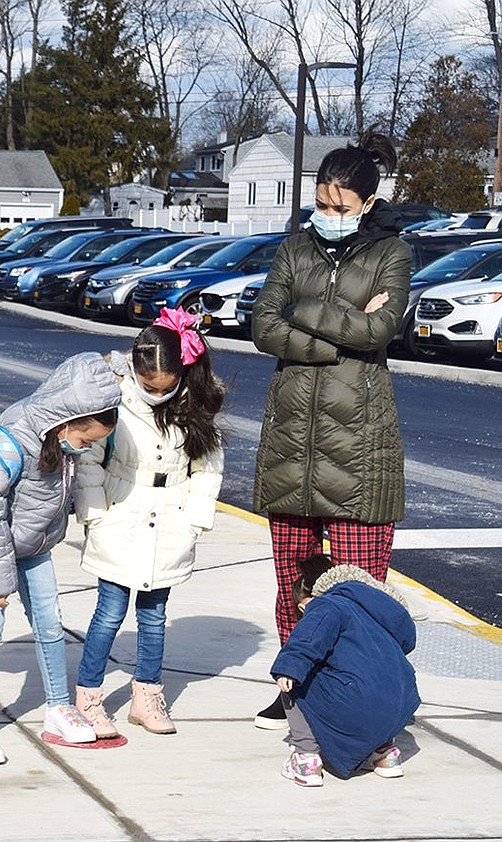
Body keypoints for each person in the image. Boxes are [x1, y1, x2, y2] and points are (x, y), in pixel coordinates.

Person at [251, 128, 410, 730]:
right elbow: (263, 325)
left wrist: (304, 314)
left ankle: (363, 699)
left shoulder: (392, 252)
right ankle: (295, 689)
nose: (328, 215)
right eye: (320, 203)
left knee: (359, 590)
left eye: (340, 208)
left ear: (367, 205)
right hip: (293, 435)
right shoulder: (295, 248)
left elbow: (380, 332)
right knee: (293, 580)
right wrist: (336, 336)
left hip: (359, 443)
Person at [0, 353, 121, 765]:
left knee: (50, 622)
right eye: (87, 439)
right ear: (67, 421)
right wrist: (1, 582)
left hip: (34, 543)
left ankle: (58, 706)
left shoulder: (60, 439)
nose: (88, 446)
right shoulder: (10, 437)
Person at [72, 309, 224, 738]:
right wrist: (94, 515)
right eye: (149, 385)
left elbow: (207, 468)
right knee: (109, 613)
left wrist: (195, 521)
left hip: (171, 517)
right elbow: (90, 460)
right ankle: (88, 695)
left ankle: (147, 695)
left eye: (166, 386)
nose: (157, 392)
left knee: (154, 615)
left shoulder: (194, 405)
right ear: (135, 373)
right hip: (120, 512)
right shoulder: (114, 400)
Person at [273, 554, 420, 787]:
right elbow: (408, 642)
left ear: (305, 603)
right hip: (403, 700)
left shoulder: (326, 605)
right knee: (378, 684)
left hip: (359, 699)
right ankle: (385, 755)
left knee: (295, 677)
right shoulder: (377, 608)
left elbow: (306, 642)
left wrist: (289, 668)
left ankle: (306, 758)